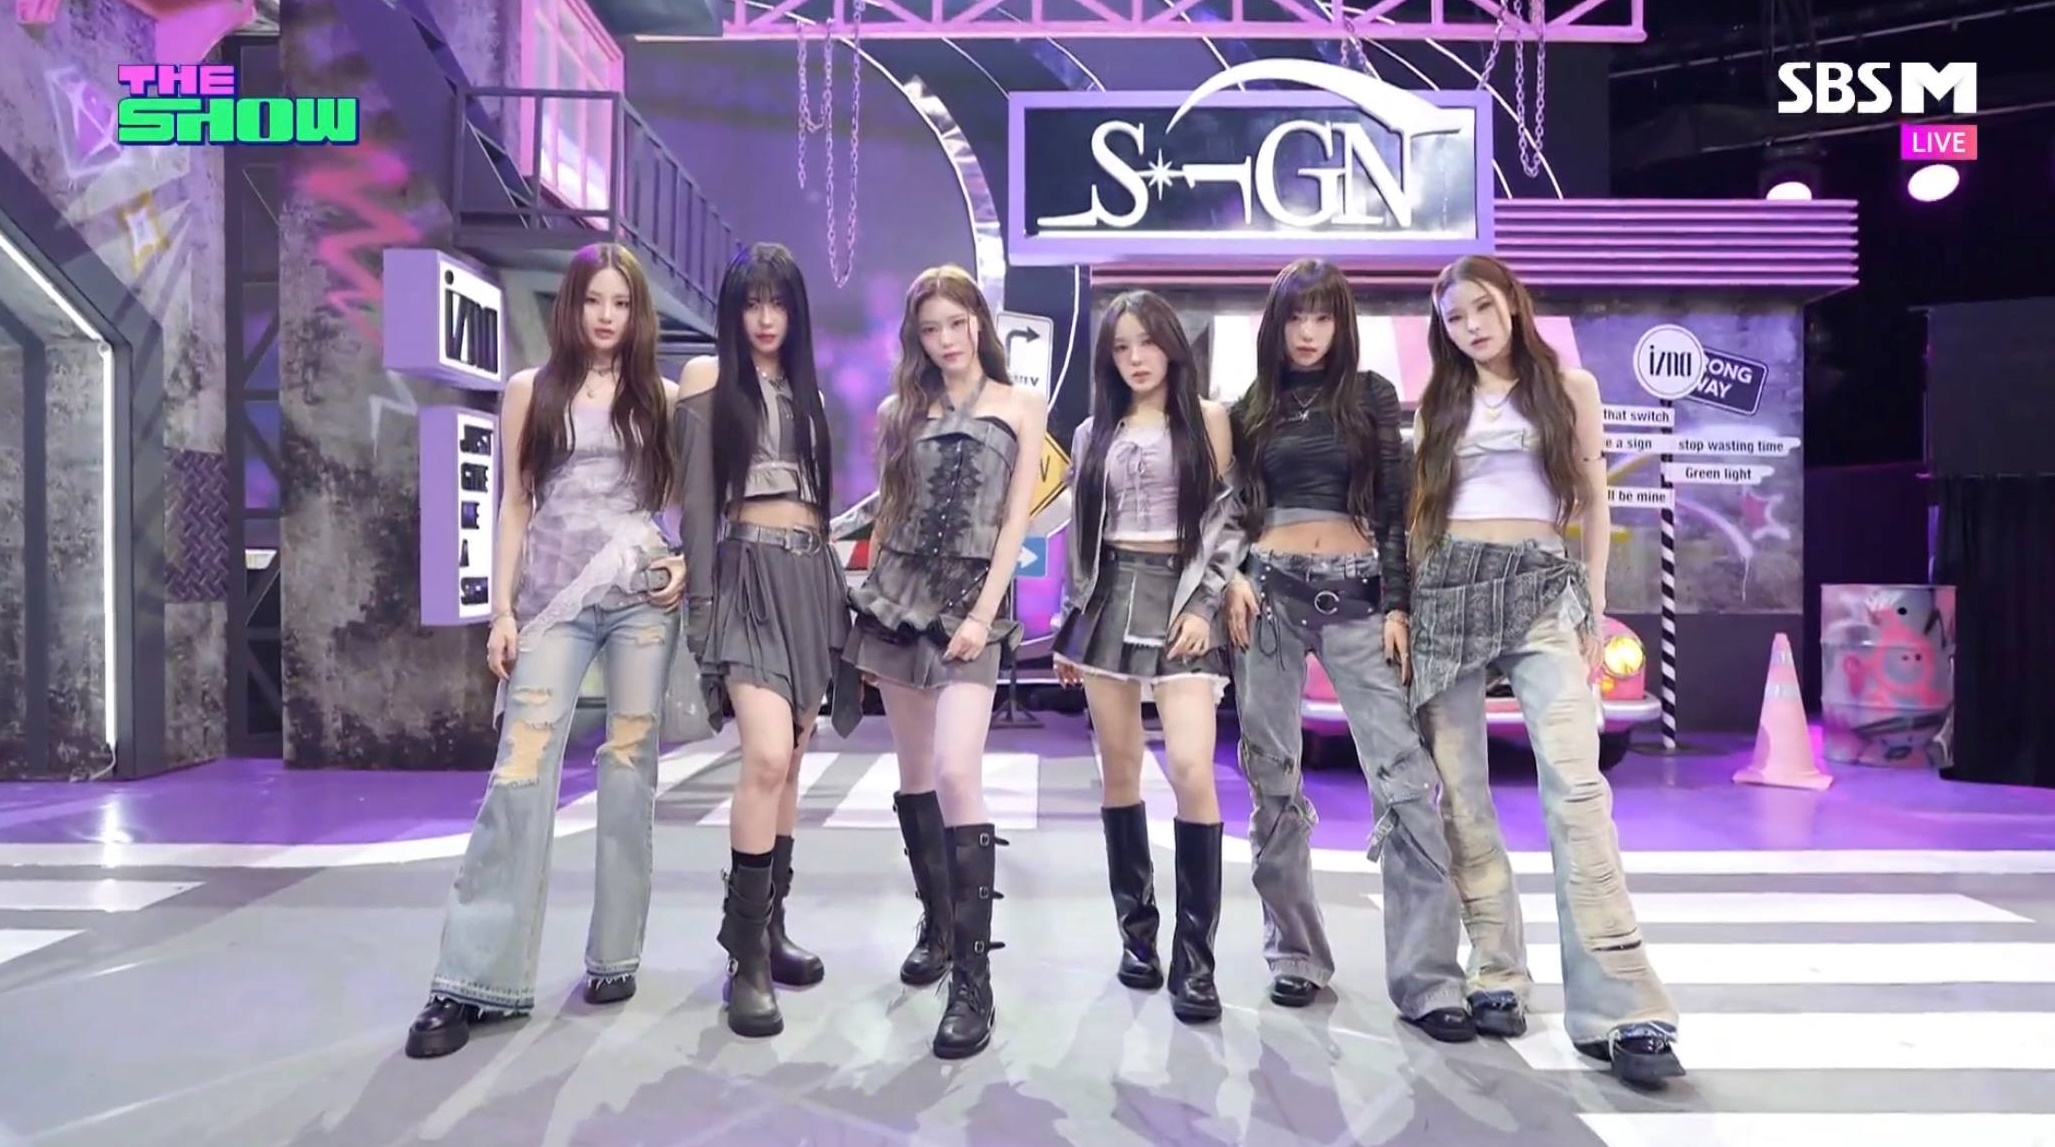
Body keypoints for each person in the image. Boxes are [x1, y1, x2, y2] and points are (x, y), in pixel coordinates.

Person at [405, 243, 685, 1060]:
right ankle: (472, 977)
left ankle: (614, 955)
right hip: (551, 603)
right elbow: (516, 504)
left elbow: (683, 504)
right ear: (572, 304)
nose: (607, 315)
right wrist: (500, 610)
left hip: (639, 600)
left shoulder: (661, 397)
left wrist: (686, 561)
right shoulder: (532, 388)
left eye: (621, 303)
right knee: (519, 772)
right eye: (594, 299)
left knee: (629, 771)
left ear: (637, 314)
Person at [1408, 253, 1683, 1084]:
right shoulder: (1439, 399)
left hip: (1538, 585)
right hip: (1448, 586)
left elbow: (1593, 500)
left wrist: (1592, 604)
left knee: (1576, 786)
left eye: (1481, 308)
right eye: (1455, 318)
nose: (1471, 327)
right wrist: (1406, 604)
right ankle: (1494, 971)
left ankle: (1620, 1005)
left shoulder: (1570, 388)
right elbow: (1420, 513)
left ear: (1512, 304)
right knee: (1461, 793)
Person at [1218, 258, 1475, 1042]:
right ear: (1275, 324)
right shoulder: (1250, 406)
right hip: (1268, 598)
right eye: (1295, 317)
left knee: (1404, 779)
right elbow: (1229, 509)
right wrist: (1232, 574)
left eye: (1322, 317)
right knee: (1271, 778)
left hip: (1359, 597)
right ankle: (1295, 953)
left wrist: (1398, 601)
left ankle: (1429, 980)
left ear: (1341, 323)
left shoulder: (1368, 395)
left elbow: (1394, 507)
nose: (1307, 333)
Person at [831, 265, 1047, 1060]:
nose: (946, 340)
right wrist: (839, 559)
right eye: (931, 329)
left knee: (959, 771)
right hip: (898, 598)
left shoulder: (1020, 405)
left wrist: (984, 614)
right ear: (915, 338)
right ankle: (939, 925)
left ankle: (972, 982)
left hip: (970, 605)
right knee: (916, 773)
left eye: (957, 323)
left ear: (978, 322)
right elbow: (888, 511)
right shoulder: (898, 411)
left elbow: (1015, 519)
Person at [672, 243, 847, 1039]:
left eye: (778, 302)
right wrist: (702, 612)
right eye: (752, 302)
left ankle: (771, 931)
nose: (766, 318)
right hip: (745, 577)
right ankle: (743, 957)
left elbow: (821, 506)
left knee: (792, 765)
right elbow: (696, 506)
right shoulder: (707, 380)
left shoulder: (810, 393)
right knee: (766, 756)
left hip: (809, 579)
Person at [1050, 290, 1234, 1025]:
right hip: (1108, 598)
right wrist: (1071, 622)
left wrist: (1205, 606)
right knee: (1119, 769)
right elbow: (1081, 534)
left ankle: (1197, 958)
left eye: (1147, 342)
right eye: (1121, 347)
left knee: (1191, 767)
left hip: (1182, 593)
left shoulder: (1209, 419)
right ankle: (1138, 937)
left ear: (1171, 345)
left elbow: (1230, 520)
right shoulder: (1092, 431)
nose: (1135, 358)